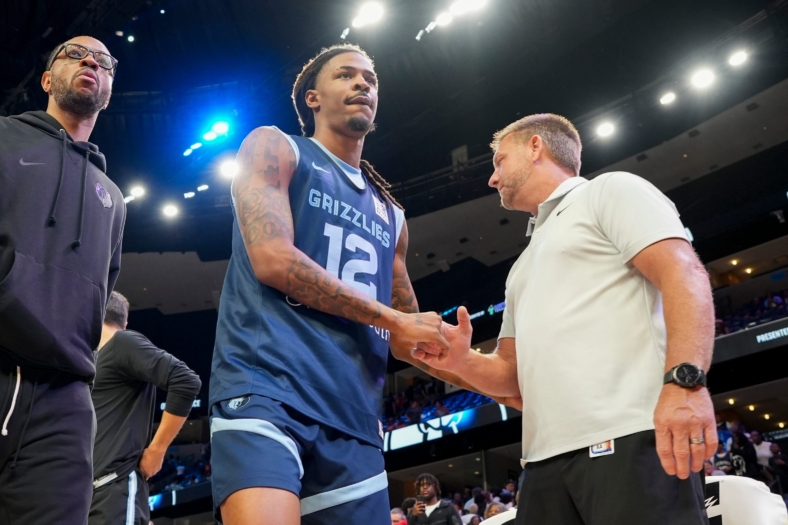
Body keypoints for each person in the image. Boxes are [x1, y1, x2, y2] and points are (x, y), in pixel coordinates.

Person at [413, 113, 717, 524]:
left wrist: (685, 384)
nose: (492, 178)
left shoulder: (609, 190)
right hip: (542, 464)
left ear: (535, 147)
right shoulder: (520, 268)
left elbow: (684, 274)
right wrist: (461, 361)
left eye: (500, 161)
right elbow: (511, 375)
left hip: (630, 435)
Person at [209, 43, 449, 525]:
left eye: (371, 79)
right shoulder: (275, 147)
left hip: (356, 422)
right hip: (268, 390)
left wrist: (496, 374)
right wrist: (394, 320)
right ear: (312, 98)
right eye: (346, 75)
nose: (363, 83)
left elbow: (407, 336)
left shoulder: (393, 215)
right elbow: (273, 260)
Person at [0, 36, 125, 524]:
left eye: (104, 61)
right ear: (48, 80)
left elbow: (103, 285)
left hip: (64, 398)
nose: (90, 60)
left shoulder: (113, 197)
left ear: (108, 90)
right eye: (74, 54)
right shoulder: (4, 137)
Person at [88, 292, 201, 525]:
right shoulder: (90, 360)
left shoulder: (122, 342)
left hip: (113, 486)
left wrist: (157, 451)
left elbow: (186, 381)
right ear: (125, 320)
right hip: (89, 492)